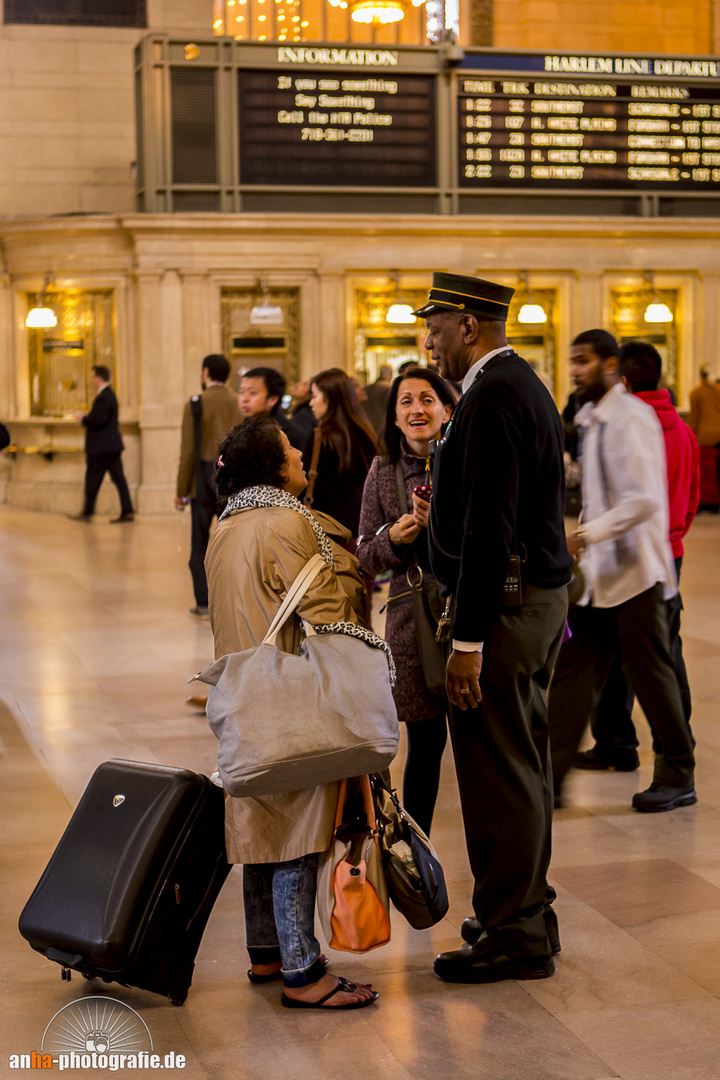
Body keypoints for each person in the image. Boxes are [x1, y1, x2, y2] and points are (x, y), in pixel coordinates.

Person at [416, 272, 572, 985]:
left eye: (436, 327)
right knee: (522, 765)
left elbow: (490, 529)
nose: (429, 340)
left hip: (504, 613)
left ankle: (515, 937)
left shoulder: (496, 393)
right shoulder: (512, 385)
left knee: (498, 775)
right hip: (528, 603)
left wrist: (467, 643)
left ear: (469, 326)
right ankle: (525, 910)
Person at [205, 414, 380, 1010]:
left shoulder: (226, 524)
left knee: (258, 823)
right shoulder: (285, 522)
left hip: (242, 690)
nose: (300, 450)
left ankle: (267, 953)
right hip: (289, 694)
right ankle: (303, 970)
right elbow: (328, 611)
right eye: (287, 447)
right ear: (271, 465)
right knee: (301, 833)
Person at [548, 330, 696, 813]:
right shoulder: (594, 419)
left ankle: (678, 773)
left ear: (612, 365)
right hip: (603, 577)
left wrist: (584, 536)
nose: (575, 370)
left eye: (584, 361)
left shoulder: (632, 419)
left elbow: (643, 501)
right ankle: (549, 777)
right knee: (572, 673)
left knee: (652, 676)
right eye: (572, 361)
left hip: (637, 576)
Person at [357, 366, 454, 835]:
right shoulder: (382, 470)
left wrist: (442, 522)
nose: (417, 409)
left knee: (479, 746)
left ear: (446, 408)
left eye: (427, 399)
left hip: (467, 615)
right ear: (394, 417)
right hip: (410, 620)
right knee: (426, 741)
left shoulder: (466, 460)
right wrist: (395, 536)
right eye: (406, 401)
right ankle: (419, 849)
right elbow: (364, 554)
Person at [175, 354, 241, 618]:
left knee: (200, 545)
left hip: (203, 484)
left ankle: (203, 602)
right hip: (235, 484)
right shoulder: (240, 402)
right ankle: (233, 601)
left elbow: (188, 450)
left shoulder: (195, 404)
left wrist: (181, 489)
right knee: (235, 544)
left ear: (205, 373)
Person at [303, 368, 378, 539]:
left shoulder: (319, 439)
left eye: (315, 396)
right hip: (363, 531)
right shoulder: (366, 435)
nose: (311, 403)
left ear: (330, 398)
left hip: (328, 532)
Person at [69, 365, 134, 523]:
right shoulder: (107, 395)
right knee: (118, 479)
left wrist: (83, 419)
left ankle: (87, 512)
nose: (91, 380)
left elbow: (99, 420)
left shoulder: (104, 396)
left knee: (93, 479)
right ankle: (127, 511)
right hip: (110, 447)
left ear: (99, 378)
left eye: (92, 377)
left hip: (102, 448)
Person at [239, 366, 304, 449]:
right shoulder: (241, 431)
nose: (244, 399)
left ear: (272, 399)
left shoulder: (291, 435)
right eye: (241, 392)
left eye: (252, 393)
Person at [689, 365, 720, 490]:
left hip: (704, 436)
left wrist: (693, 437)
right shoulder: (718, 390)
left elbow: (695, 418)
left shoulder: (695, 393)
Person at [363, 364, 393, 437]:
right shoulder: (388, 387)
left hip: (368, 425)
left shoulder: (368, 387)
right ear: (390, 374)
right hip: (383, 425)